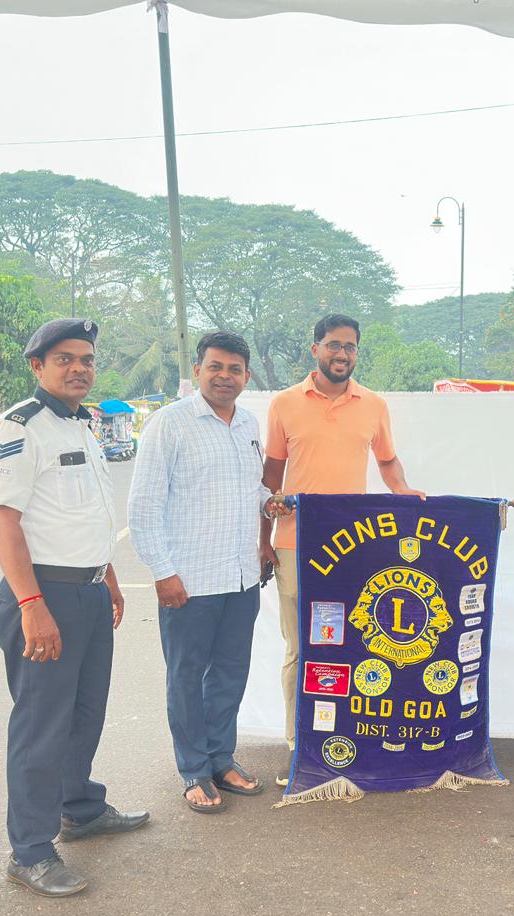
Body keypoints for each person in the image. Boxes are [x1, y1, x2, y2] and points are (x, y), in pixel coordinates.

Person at [0, 318, 147, 898]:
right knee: (40, 725)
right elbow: (5, 520)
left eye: (87, 359)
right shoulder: (20, 429)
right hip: (44, 595)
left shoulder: (86, 425)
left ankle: (80, 807)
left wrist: (110, 578)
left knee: (84, 713)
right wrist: (31, 604)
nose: (79, 367)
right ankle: (28, 851)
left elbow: (89, 517)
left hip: (89, 590)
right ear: (37, 366)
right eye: (64, 359)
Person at [129, 331, 293, 814]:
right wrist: (163, 572)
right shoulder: (169, 424)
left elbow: (251, 491)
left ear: (246, 376)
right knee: (186, 675)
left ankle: (222, 757)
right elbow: (143, 506)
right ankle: (194, 768)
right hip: (189, 581)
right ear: (198, 370)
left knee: (229, 673)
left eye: (235, 369)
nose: (225, 376)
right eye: (216, 367)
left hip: (241, 577)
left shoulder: (246, 423)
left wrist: (272, 502)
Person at [261, 313, 424, 786]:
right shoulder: (284, 404)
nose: (342, 354)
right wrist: (263, 541)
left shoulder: (372, 405)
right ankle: (299, 748)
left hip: (353, 549)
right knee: (301, 649)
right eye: (333, 345)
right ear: (315, 349)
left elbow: (388, 460)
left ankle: (344, 740)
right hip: (295, 545)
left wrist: (405, 492)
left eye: (350, 347)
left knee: (351, 645)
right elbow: (270, 480)